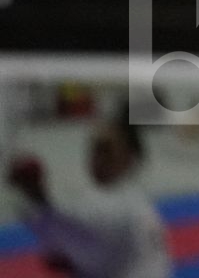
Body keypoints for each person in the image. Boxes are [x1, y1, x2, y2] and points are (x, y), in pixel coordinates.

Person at [5, 115, 173, 278]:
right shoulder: (102, 200)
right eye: (93, 149)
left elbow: (88, 217)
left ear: (130, 157)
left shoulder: (128, 206)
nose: (96, 158)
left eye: (106, 150)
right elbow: (59, 257)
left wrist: (37, 194)